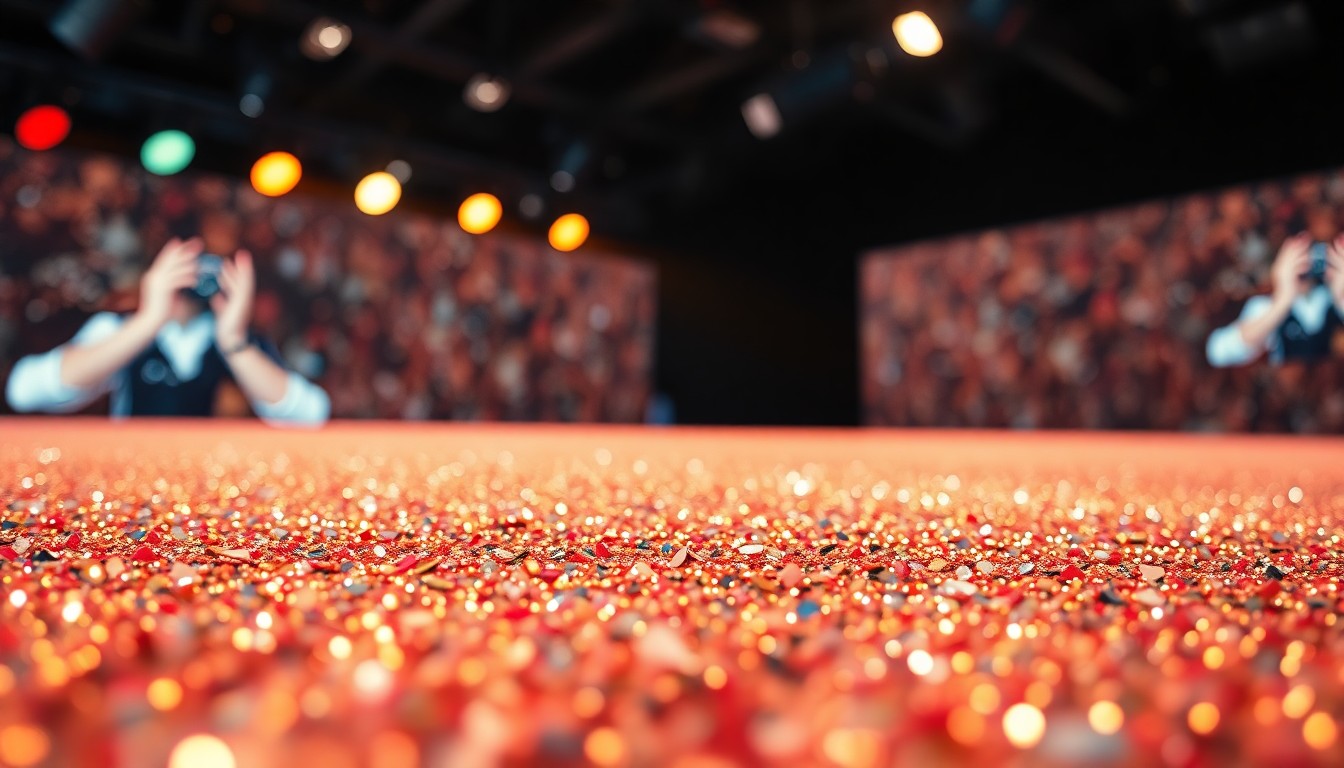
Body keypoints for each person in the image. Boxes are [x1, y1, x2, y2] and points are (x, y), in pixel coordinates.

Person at [5, 237, 329, 426]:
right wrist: (148, 321)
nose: (196, 276)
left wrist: (233, 341)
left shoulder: (237, 340)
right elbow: (25, 390)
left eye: (209, 265)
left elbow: (311, 413)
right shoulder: (120, 329)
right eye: (185, 264)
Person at [1206, 233, 1344, 367]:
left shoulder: (1331, 298)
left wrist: (1341, 297)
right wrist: (1282, 300)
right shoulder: (1265, 306)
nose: (1307, 265)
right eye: (1298, 258)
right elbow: (1218, 352)